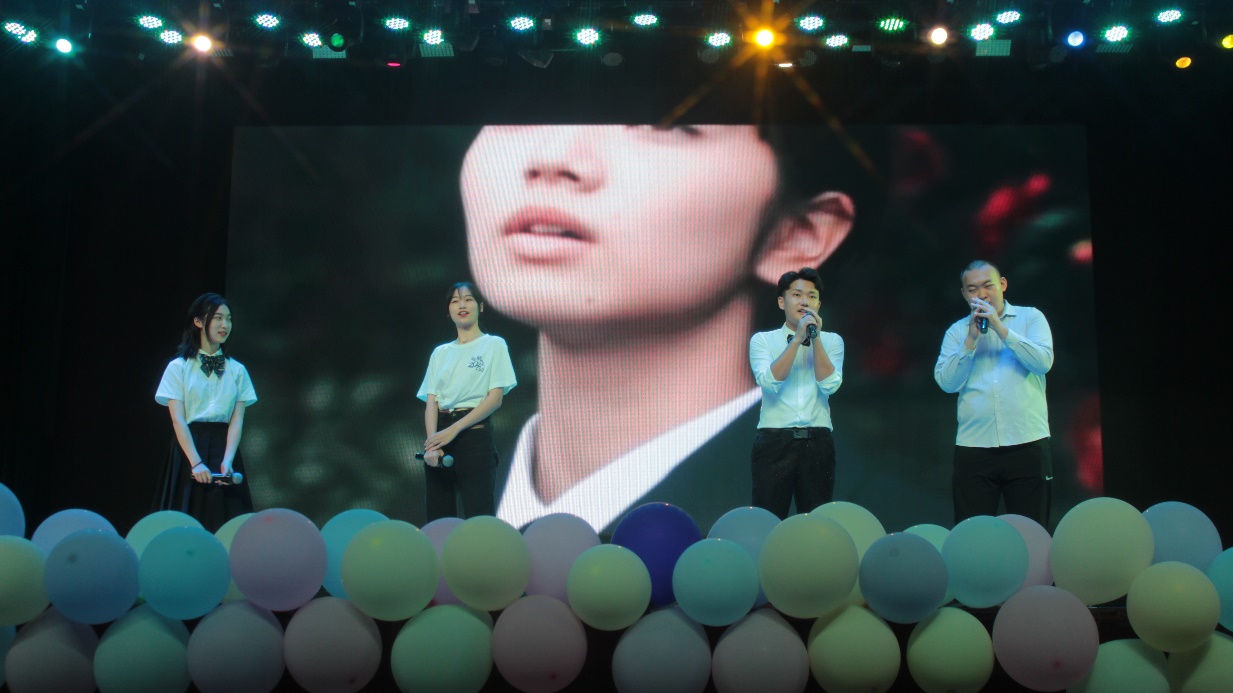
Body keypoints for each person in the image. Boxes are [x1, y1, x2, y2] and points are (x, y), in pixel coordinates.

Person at [459, 125, 859, 533]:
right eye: (524, 112)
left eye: (662, 124)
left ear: (797, 236)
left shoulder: (856, 548)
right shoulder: (432, 519)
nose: (553, 158)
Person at [934, 260, 1054, 526]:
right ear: (964, 294)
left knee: (1031, 530)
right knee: (973, 532)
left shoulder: (1030, 318)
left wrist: (1001, 329)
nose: (982, 294)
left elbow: (1043, 363)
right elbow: (947, 383)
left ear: (1003, 284)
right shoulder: (957, 331)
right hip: (974, 445)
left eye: (988, 286)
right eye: (973, 289)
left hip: (1027, 440)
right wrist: (970, 341)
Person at [155, 293, 257, 531]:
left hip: (224, 447)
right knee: (186, 519)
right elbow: (178, 420)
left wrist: (228, 460)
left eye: (228, 319)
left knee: (227, 521)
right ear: (199, 321)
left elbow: (237, 421)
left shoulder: (238, 370)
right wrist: (196, 462)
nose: (225, 325)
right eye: (218, 318)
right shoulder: (178, 367)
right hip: (189, 448)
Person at [417, 282, 518, 521]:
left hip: (474, 434)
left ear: (480, 306)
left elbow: (495, 399)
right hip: (440, 437)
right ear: (448, 311)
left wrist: (454, 429)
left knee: (478, 514)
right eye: (455, 301)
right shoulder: (440, 353)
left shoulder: (494, 344)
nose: (461, 305)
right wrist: (432, 444)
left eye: (468, 299)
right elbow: (431, 401)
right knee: (438, 517)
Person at [748, 268, 844, 518]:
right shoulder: (763, 340)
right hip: (774, 441)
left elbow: (830, 385)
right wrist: (797, 339)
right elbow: (770, 382)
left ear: (818, 305)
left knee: (816, 520)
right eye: (797, 295)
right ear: (782, 302)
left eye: (811, 296)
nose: (804, 302)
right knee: (768, 517)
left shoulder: (833, 341)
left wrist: (815, 339)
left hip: (818, 441)